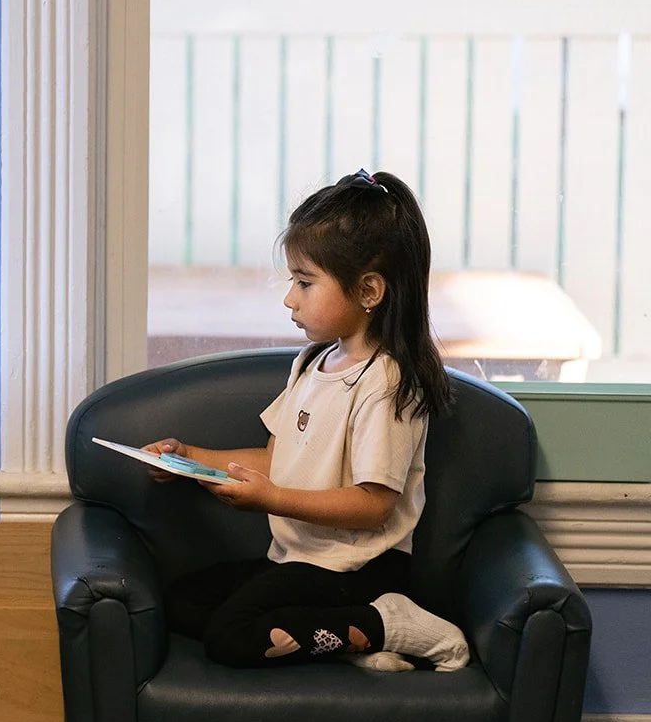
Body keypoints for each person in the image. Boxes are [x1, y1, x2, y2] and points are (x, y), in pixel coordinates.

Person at [146, 168, 469, 672]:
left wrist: (271, 500)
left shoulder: (385, 382)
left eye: (304, 282)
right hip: (296, 563)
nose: (289, 298)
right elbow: (276, 459)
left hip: (359, 569)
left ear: (368, 291)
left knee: (230, 637)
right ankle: (353, 635)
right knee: (179, 601)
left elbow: (373, 506)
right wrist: (188, 458)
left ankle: (388, 622)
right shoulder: (312, 363)